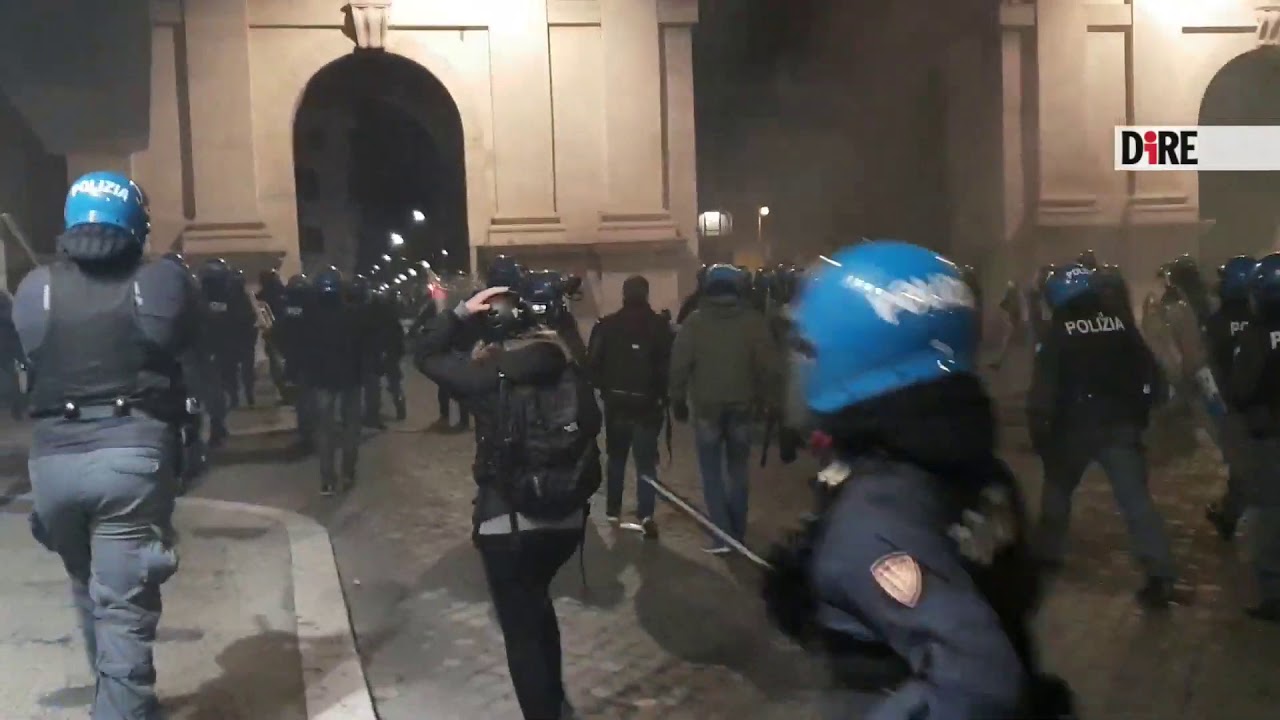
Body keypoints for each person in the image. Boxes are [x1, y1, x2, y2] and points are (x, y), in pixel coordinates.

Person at [767, 240, 1072, 719]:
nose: (795, 364)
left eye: (807, 349)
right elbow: (1006, 591)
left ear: (855, 357)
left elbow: (979, 682)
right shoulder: (975, 469)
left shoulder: (876, 517)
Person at [15, 171, 196, 719]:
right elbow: (184, 340)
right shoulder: (159, 280)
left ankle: (117, 698)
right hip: (128, 453)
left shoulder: (34, 287)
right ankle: (123, 708)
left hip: (52, 462)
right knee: (123, 610)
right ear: (136, 222)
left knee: (87, 588)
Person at [414, 285, 601, 720]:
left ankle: (544, 712)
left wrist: (459, 313)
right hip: (567, 520)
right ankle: (555, 704)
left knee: (520, 632)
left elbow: (424, 354)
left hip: (508, 523)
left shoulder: (489, 377)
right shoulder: (573, 369)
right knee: (538, 604)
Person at [1028, 263, 1178, 608]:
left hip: (1073, 430)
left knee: (1057, 493)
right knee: (1136, 502)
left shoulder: (1059, 331)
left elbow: (1045, 390)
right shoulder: (1119, 323)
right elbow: (1149, 370)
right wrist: (1144, 411)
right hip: (1121, 426)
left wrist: (1040, 432)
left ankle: (1046, 556)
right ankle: (1160, 573)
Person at [669, 263, 782, 553]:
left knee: (711, 472)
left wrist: (677, 399)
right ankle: (737, 532)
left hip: (706, 407)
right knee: (738, 470)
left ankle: (722, 534)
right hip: (743, 406)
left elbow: (679, 365)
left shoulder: (695, 322)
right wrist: (770, 402)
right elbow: (768, 368)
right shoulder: (753, 321)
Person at [588, 275, 672, 537]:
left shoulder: (607, 325)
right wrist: (662, 395)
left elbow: (593, 363)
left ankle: (613, 510)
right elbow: (667, 368)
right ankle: (646, 514)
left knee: (616, 459)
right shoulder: (659, 326)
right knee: (646, 464)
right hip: (648, 406)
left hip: (617, 404)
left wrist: (606, 389)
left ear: (625, 294)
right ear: (646, 294)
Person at [1225, 252, 1280, 622]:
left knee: (1269, 513)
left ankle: (1274, 594)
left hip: (1270, 435)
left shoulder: (1258, 334)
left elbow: (1241, 389)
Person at [299, 268, 367, 494]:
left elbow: (305, 350)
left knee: (325, 430)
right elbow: (361, 348)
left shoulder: (309, 317)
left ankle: (327, 479)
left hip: (321, 380)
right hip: (350, 378)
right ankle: (348, 473)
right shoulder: (353, 315)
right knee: (350, 428)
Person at [1205, 255, 1257, 540]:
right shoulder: (1263, 318)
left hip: (1239, 406)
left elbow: (1208, 366)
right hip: (1262, 405)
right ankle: (1229, 513)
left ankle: (1230, 514)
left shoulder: (1219, 322)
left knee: (1244, 466)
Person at [277, 273, 315, 452]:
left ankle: (307, 433)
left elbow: (283, 330)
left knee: (304, 398)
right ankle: (311, 433)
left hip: (297, 356)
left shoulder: (288, 306)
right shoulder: (313, 304)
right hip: (311, 356)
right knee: (310, 397)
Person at [256, 268, 289, 400]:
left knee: (276, 364)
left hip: (274, 333)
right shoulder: (283, 292)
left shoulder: (268, 293)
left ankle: (284, 390)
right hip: (284, 333)